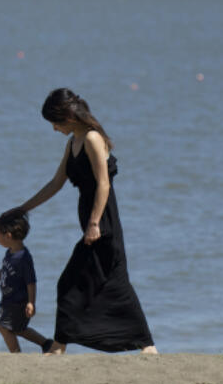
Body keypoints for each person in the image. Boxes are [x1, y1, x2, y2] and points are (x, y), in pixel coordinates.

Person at [15, 88, 157, 354]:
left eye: (55, 123)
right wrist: (23, 208)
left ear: (68, 117)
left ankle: (60, 346)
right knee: (111, 282)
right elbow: (56, 183)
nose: (54, 129)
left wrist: (94, 223)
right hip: (93, 222)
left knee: (76, 281)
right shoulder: (73, 143)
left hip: (103, 223)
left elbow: (104, 184)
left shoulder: (92, 138)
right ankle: (146, 346)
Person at [0, 209, 52, 353]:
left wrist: (31, 302)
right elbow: (5, 269)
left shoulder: (23, 258)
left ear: (8, 236)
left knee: (3, 327)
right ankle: (47, 344)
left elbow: (31, 282)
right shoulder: (10, 252)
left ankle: (16, 355)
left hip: (18, 302)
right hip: (9, 300)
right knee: (19, 329)